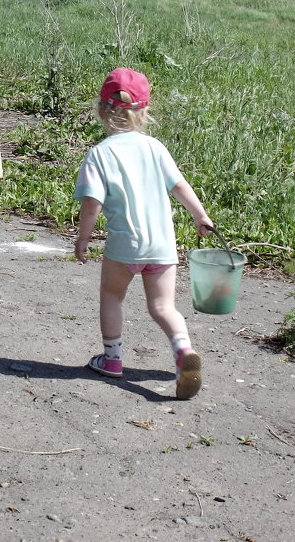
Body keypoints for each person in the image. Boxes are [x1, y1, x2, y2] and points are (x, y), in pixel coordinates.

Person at [74, 67, 214, 400]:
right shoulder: (155, 148)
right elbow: (178, 185)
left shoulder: (100, 154)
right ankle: (182, 351)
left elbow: (92, 204)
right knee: (164, 306)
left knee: (112, 296)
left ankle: (112, 359)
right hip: (162, 245)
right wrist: (200, 215)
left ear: (101, 110)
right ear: (144, 111)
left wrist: (83, 238)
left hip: (125, 245)